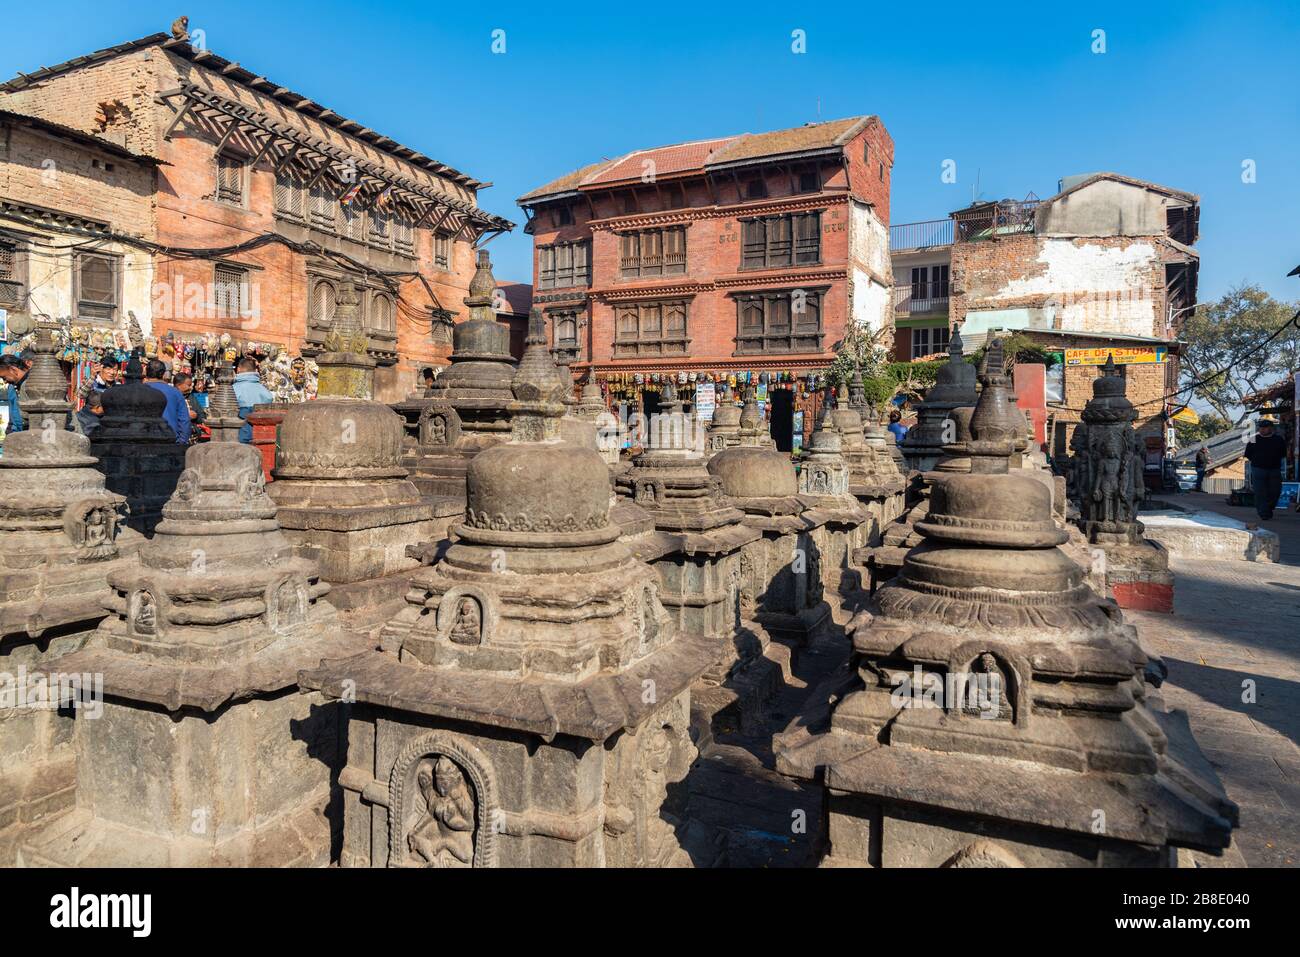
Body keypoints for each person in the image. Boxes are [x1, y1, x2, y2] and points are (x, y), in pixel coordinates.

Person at [1243, 418, 1289, 520]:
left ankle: (1269, 507)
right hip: (1258, 469)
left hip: (1274, 469)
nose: (1262, 430)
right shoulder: (1253, 440)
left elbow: (1283, 454)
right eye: (1261, 428)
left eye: (1265, 428)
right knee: (1260, 492)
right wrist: (1257, 461)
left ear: (1271, 428)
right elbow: (1248, 454)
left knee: (1275, 491)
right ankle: (1263, 513)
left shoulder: (1278, 440)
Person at [143, 357, 191, 445]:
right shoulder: (175, 393)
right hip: (170, 441)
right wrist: (181, 442)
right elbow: (184, 420)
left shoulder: (138, 391)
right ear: (164, 374)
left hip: (142, 440)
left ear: (146, 372)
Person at [232, 356, 274, 444]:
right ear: (255, 371)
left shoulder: (233, 389)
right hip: (261, 435)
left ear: (238, 369)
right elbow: (269, 398)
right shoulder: (263, 389)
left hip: (240, 435)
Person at [0, 353, 32, 433]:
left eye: (4, 377)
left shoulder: (32, 384)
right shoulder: (12, 387)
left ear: (13, 370)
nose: (5, 381)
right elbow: (12, 418)